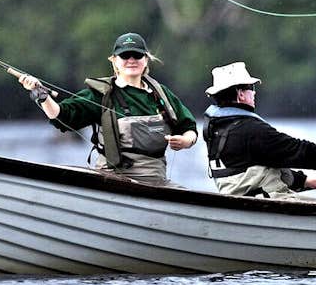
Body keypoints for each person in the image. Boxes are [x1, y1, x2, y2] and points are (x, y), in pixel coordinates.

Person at [17, 32, 198, 186]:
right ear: (114, 61)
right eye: (125, 56)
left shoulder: (161, 94)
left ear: (146, 59)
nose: (131, 60)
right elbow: (61, 117)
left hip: (157, 182)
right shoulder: (101, 94)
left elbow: (189, 127)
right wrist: (41, 95)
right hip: (113, 181)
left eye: (137, 55)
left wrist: (185, 141)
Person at [201, 61, 316, 199]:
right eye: (251, 89)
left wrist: (302, 181)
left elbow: (255, 164)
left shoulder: (215, 128)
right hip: (264, 200)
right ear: (240, 94)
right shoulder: (251, 130)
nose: (254, 94)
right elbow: (298, 150)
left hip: (240, 198)